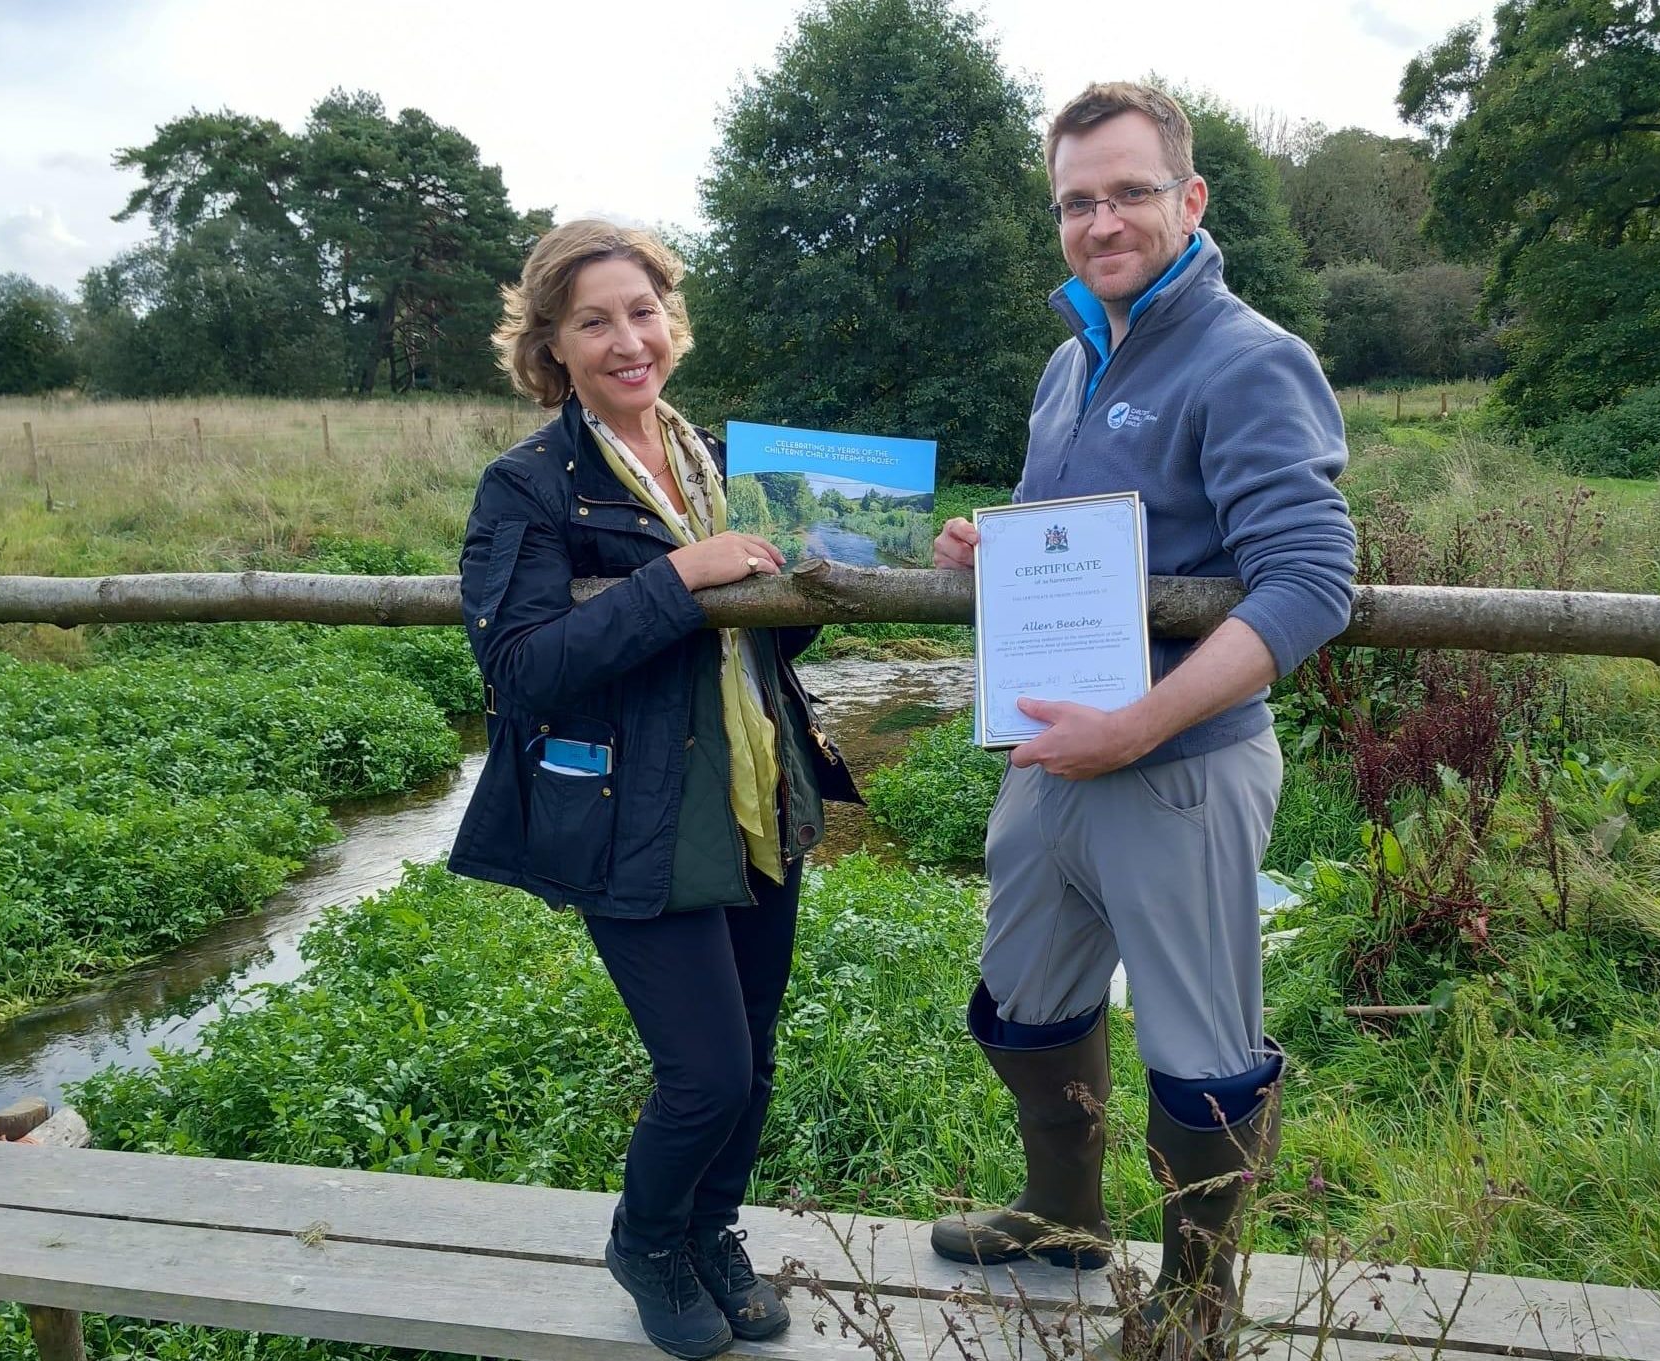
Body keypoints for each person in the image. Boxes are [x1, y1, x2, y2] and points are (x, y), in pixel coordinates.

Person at [926, 83, 1356, 1353]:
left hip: (1178, 771)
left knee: (1197, 1042)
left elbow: (1310, 580)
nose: (1099, 219)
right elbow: (1064, 542)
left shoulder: (1250, 358)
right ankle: (1062, 1215)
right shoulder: (1068, 365)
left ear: (1188, 198)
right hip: (1049, 759)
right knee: (1024, 999)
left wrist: (1137, 725)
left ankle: (1198, 1302)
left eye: (1125, 191)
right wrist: (983, 549)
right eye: (1074, 200)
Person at [448, 219, 859, 1360]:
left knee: (757, 1050)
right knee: (706, 1070)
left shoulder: (722, 463)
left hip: (753, 791)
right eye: (594, 321)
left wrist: (804, 587)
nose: (628, 339)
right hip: (633, 816)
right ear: (552, 345)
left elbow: (765, 644)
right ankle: (645, 1240)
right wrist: (682, 575)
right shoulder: (529, 484)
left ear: (670, 320)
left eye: (643, 311)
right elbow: (520, 664)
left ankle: (708, 1229)